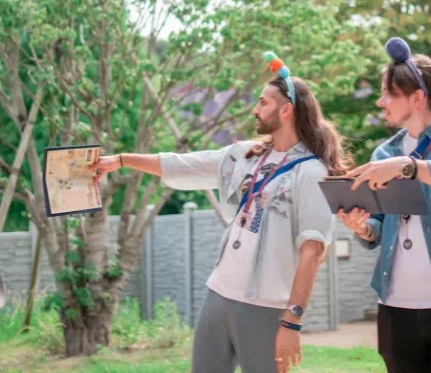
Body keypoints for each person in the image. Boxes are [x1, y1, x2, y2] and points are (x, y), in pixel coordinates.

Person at [91, 52, 351, 373]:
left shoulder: (311, 172)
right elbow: (183, 165)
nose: (255, 109)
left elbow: (311, 252)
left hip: (265, 306)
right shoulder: (244, 156)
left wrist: (292, 322)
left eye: (263, 103)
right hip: (219, 293)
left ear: (286, 111)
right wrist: (120, 160)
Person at [338, 38, 431, 373]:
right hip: (394, 306)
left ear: (417, 97)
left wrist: (409, 167)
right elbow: (379, 225)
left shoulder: (395, 161)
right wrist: (363, 227)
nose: (380, 102)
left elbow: (413, 169)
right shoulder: (383, 153)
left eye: (388, 94)